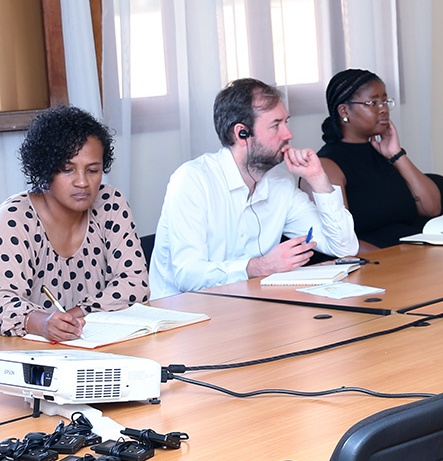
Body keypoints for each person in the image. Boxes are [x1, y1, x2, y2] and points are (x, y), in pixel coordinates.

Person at [149, 78, 359, 298]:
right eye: (276, 125)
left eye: (286, 122)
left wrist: (318, 180)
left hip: (249, 308)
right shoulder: (192, 180)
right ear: (242, 133)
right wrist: (257, 267)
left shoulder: (280, 183)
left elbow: (344, 249)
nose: (288, 134)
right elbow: (187, 275)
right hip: (184, 316)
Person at [0, 106, 149, 342]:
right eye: (67, 169)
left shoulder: (110, 203)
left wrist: (73, 318)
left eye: (93, 170)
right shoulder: (14, 217)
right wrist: (42, 323)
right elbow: (3, 299)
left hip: (99, 346)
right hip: (31, 354)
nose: (82, 182)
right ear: (45, 168)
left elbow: (135, 284)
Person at [317, 69, 442, 250]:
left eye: (385, 102)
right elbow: (341, 242)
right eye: (373, 103)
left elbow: (432, 209)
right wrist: (393, 262)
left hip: (415, 255)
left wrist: (397, 154)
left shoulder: (383, 153)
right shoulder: (327, 165)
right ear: (344, 111)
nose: (383, 109)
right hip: (379, 264)